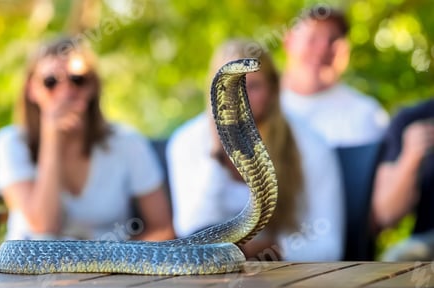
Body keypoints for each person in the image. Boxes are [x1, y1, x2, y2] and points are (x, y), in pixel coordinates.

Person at [167, 39, 345, 261]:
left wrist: (270, 250)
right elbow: (191, 228)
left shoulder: (312, 146)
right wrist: (217, 155)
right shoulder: (186, 141)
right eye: (232, 86)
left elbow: (329, 244)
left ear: (273, 89)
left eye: (253, 86)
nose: (241, 97)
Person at [0, 37, 175, 241]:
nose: (66, 91)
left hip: (111, 269)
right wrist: (52, 137)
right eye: (50, 82)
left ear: (92, 86)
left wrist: (117, 262)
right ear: (31, 90)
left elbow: (163, 228)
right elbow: (43, 228)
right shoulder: (10, 143)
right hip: (34, 270)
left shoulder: (127, 142)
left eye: (77, 79)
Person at [281, 5, 389, 147]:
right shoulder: (252, 105)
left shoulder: (367, 115)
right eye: (312, 38)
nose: (322, 49)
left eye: (332, 40)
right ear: (289, 41)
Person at [372, 99, 434, 260]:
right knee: (397, 259)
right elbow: (386, 214)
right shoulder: (413, 119)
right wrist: (411, 156)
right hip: (427, 243)